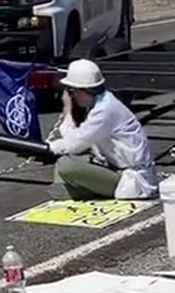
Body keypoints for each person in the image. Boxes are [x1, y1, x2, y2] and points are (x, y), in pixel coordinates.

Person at [45, 59, 159, 200]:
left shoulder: (105, 111)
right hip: (114, 168)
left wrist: (47, 148)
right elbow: (75, 139)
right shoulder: (101, 103)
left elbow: (74, 144)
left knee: (65, 165)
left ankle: (79, 191)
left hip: (130, 179)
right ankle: (76, 190)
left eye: (71, 91)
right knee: (67, 163)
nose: (71, 96)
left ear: (83, 90)